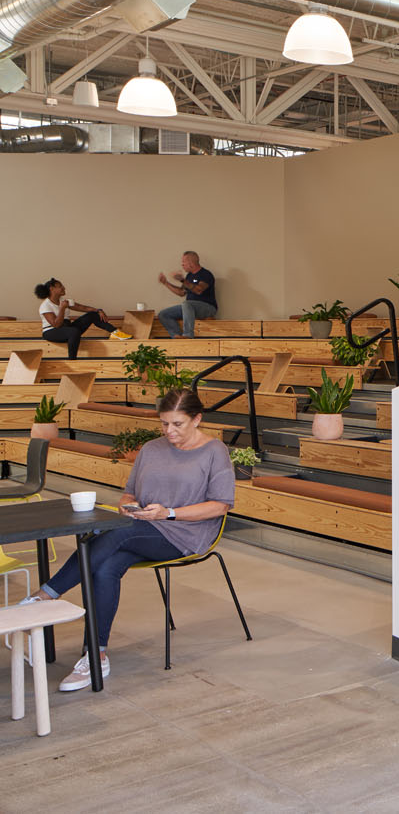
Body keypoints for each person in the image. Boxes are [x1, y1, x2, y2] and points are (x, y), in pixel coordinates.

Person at [21, 388, 233, 691]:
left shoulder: (214, 452)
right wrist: (127, 505)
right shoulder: (152, 448)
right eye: (164, 424)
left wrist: (169, 513)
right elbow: (130, 492)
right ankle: (96, 655)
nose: (169, 431)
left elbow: (220, 505)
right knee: (106, 567)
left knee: (116, 533)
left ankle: (42, 598)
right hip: (141, 528)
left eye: (177, 424)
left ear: (197, 419)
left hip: (185, 533)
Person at [35, 278, 131, 357]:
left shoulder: (64, 301)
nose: (63, 288)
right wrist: (62, 308)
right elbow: (56, 324)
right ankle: (72, 360)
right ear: (52, 289)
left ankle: (115, 332)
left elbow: (83, 308)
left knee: (92, 314)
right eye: (60, 286)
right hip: (52, 332)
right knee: (73, 331)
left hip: (67, 328)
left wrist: (98, 310)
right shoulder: (45, 306)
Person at [156, 250, 217, 338]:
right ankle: (177, 336)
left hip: (207, 308)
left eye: (183, 261)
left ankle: (188, 335)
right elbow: (181, 292)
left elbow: (199, 290)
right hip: (188, 308)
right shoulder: (189, 276)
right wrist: (166, 283)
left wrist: (182, 280)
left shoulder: (206, 274)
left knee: (186, 304)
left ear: (191, 263)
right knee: (163, 314)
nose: (182, 264)